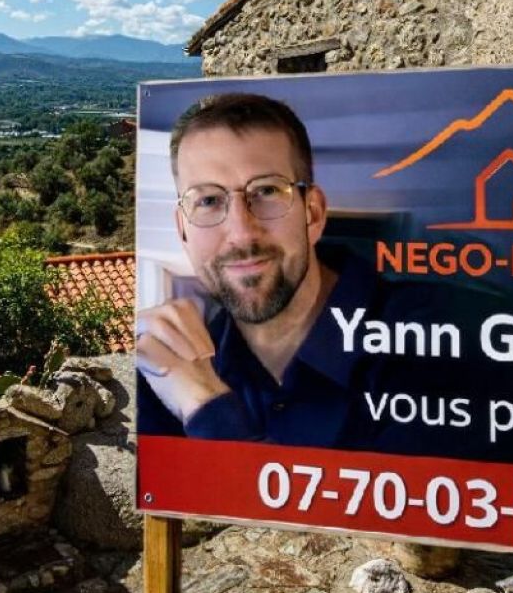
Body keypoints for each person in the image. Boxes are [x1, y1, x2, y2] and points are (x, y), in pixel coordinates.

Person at [135, 92, 423, 448]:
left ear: (313, 214)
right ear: (183, 231)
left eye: (267, 191)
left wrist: (206, 407)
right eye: (208, 200)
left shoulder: (436, 339)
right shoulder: (166, 373)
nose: (241, 234)